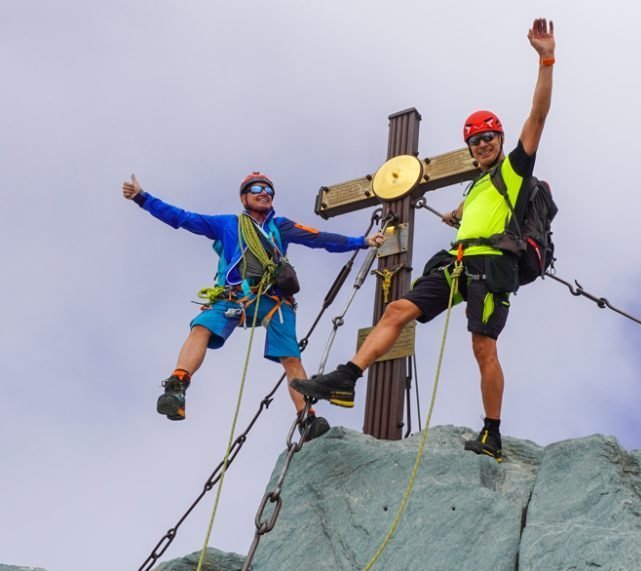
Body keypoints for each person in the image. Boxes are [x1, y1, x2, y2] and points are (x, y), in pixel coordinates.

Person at [291, 18, 555, 461]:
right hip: (458, 261)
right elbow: (471, 217)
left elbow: (539, 115)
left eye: (488, 137)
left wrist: (546, 59)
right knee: (399, 309)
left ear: (501, 139)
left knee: (482, 345)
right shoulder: (475, 188)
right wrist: (456, 215)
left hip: (492, 267)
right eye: (475, 140)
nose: (482, 144)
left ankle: (492, 432)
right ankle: (348, 375)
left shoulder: (512, 170)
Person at [122, 172, 383, 438]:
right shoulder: (229, 225)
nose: (264, 193)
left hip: (274, 299)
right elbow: (183, 218)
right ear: (243, 197)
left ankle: (306, 418)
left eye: (269, 191)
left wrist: (362, 241)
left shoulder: (280, 227)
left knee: (291, 357)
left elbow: (319, 238)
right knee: (201, 328)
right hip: (234, 295)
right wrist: (143, 198)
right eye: (257, 189)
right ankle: (177, 386)